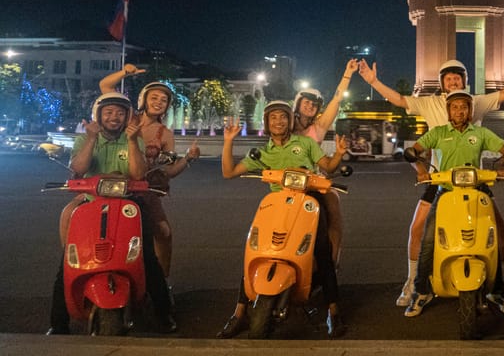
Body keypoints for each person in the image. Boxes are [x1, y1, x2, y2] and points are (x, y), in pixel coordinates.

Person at [358, 56, 504, 310]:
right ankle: (414, 282)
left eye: (458, 78)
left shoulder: (477, 103)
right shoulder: (431, 104)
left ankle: (499, 282)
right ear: (442, 84)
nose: (453, 82)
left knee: (498, 230)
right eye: (449, 78)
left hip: (474, 180)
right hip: (440, 179)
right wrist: (374, 82)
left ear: (465, 83)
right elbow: (399, 100)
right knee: (419, 230)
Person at [218, 100, 350, 338]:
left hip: (307, 202)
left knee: (321, 249)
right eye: (273, 118)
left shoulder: (305, 143)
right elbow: (228, 172)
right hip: (277, 205)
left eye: (283, 117)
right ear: (267, 123)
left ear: (290, 120)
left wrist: (339, 153)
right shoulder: (262, 152)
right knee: (255, 249)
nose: (278, 121)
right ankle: (238, 314)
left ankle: (334, 311)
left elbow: (328, 167)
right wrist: (228, 142)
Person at [48, 93, 176, 334]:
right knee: (68, 260)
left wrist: (131, 140)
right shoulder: (85, 139)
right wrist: (90, 139)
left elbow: (138, 175)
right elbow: (78, 168)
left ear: (127, 116)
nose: (113, 117)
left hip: (127, 202)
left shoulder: (133, 139)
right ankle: (58, 323)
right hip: (90, 201)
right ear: (99, 115)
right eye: (108, 112)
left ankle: (164, 314)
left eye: (119, 113)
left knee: (146, 257)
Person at [401, 90, 504, 317]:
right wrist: (422, 169)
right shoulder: (439, 133)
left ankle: (498, 289)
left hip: (477, 189)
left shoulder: (480, 133)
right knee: (428, 239)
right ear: (448, 111)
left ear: (470, 111)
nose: (459, 111)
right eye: (454, 107)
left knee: (494, 235)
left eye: (464, 107)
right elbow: (414, 150)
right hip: (446, 192)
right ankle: (421, 291)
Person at [97, 65, 201, 279]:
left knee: (163, 232)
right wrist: (125, 73)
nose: (158, 103)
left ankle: (163, 281)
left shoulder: (165, 134)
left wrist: (188, 158)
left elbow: (169, 171)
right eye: (154, 97)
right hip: (110, 184)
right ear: (143, 99)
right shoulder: (125, 117)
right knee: (73, 215)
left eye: (163, 100)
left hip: (144, 189)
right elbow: (105, 86)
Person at [291, 59, 359, 267]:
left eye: (314, 105)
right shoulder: (286, 125)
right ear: (298, 104)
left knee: (333, 205)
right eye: (306, 103)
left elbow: (336, 101)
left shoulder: (318, 128)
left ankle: (332, 258)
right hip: (287, 180)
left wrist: (347, 74)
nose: (310, 106)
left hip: (313, 179)